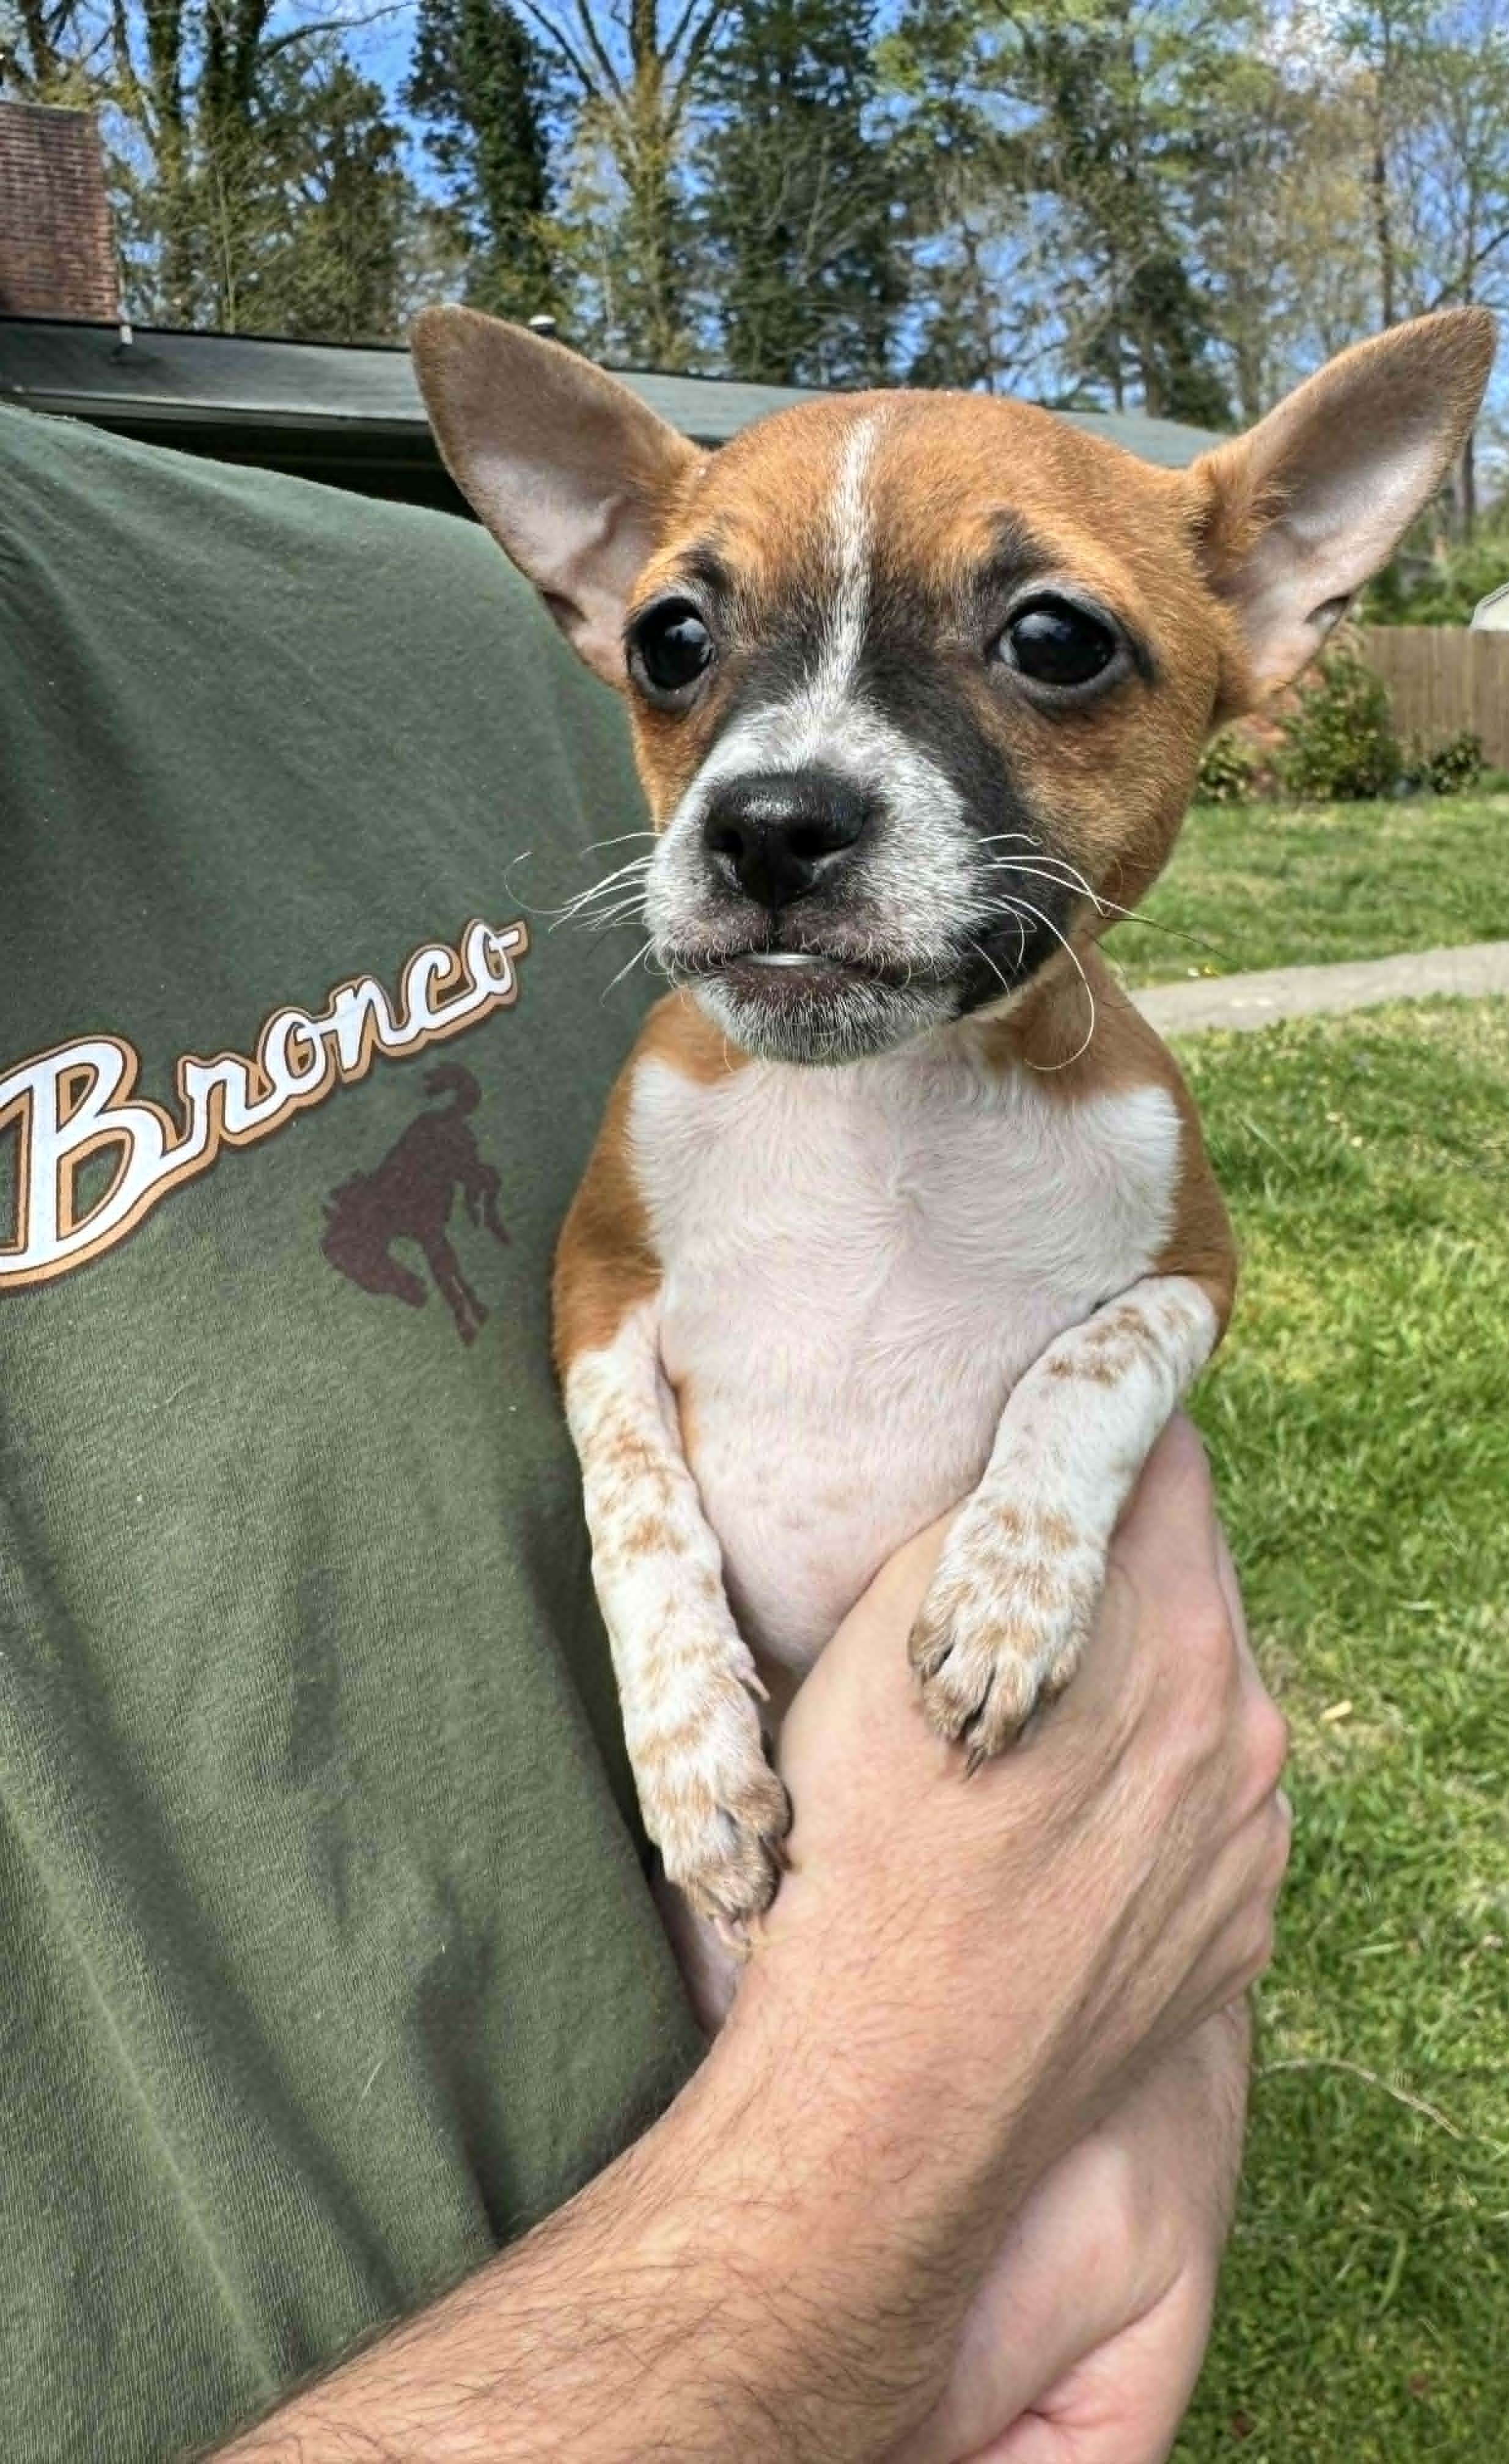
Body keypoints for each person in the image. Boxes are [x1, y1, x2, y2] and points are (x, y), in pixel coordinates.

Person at [0, 402, 1290, 2463]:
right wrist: (663, 1612)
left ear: (1267, 605)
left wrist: (1062, 1506)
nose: (788, 784)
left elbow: (1180, 1287)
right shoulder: (673, 1104)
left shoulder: (1117, 1128)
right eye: (686, 650)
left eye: (1045, 645)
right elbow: (604, 1305)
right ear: (601, 602)